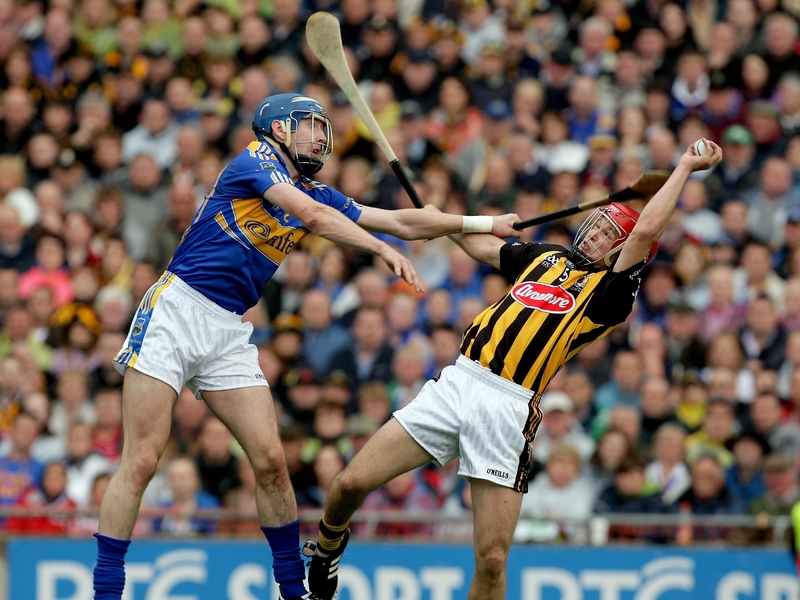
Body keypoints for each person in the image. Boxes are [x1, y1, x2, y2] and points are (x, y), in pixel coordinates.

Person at [91, 93, 521, 600]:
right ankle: (106, 591)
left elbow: (404, 221)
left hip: (227, 328)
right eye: (308, 126)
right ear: (277, 130)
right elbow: (315, 218)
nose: (320, 136)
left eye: (323, 128)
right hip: (176, 310)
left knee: (273, 462)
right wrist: (380, 248)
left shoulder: (312, 188)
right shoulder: (257, 160)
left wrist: (481, 224)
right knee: (142, 460)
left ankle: (294, 592)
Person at [303, 140, 722, 600]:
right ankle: (326, 548)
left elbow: (644, 233)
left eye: (607, 236)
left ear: (624, 253)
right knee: (349, 483)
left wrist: (684, 166)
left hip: (509, 407)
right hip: (459, 381)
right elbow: (480, 247)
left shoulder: (611, 295)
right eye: (595, 227)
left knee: (492, 559)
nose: (593, 236)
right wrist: (445, 220)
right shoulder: (546, 257)